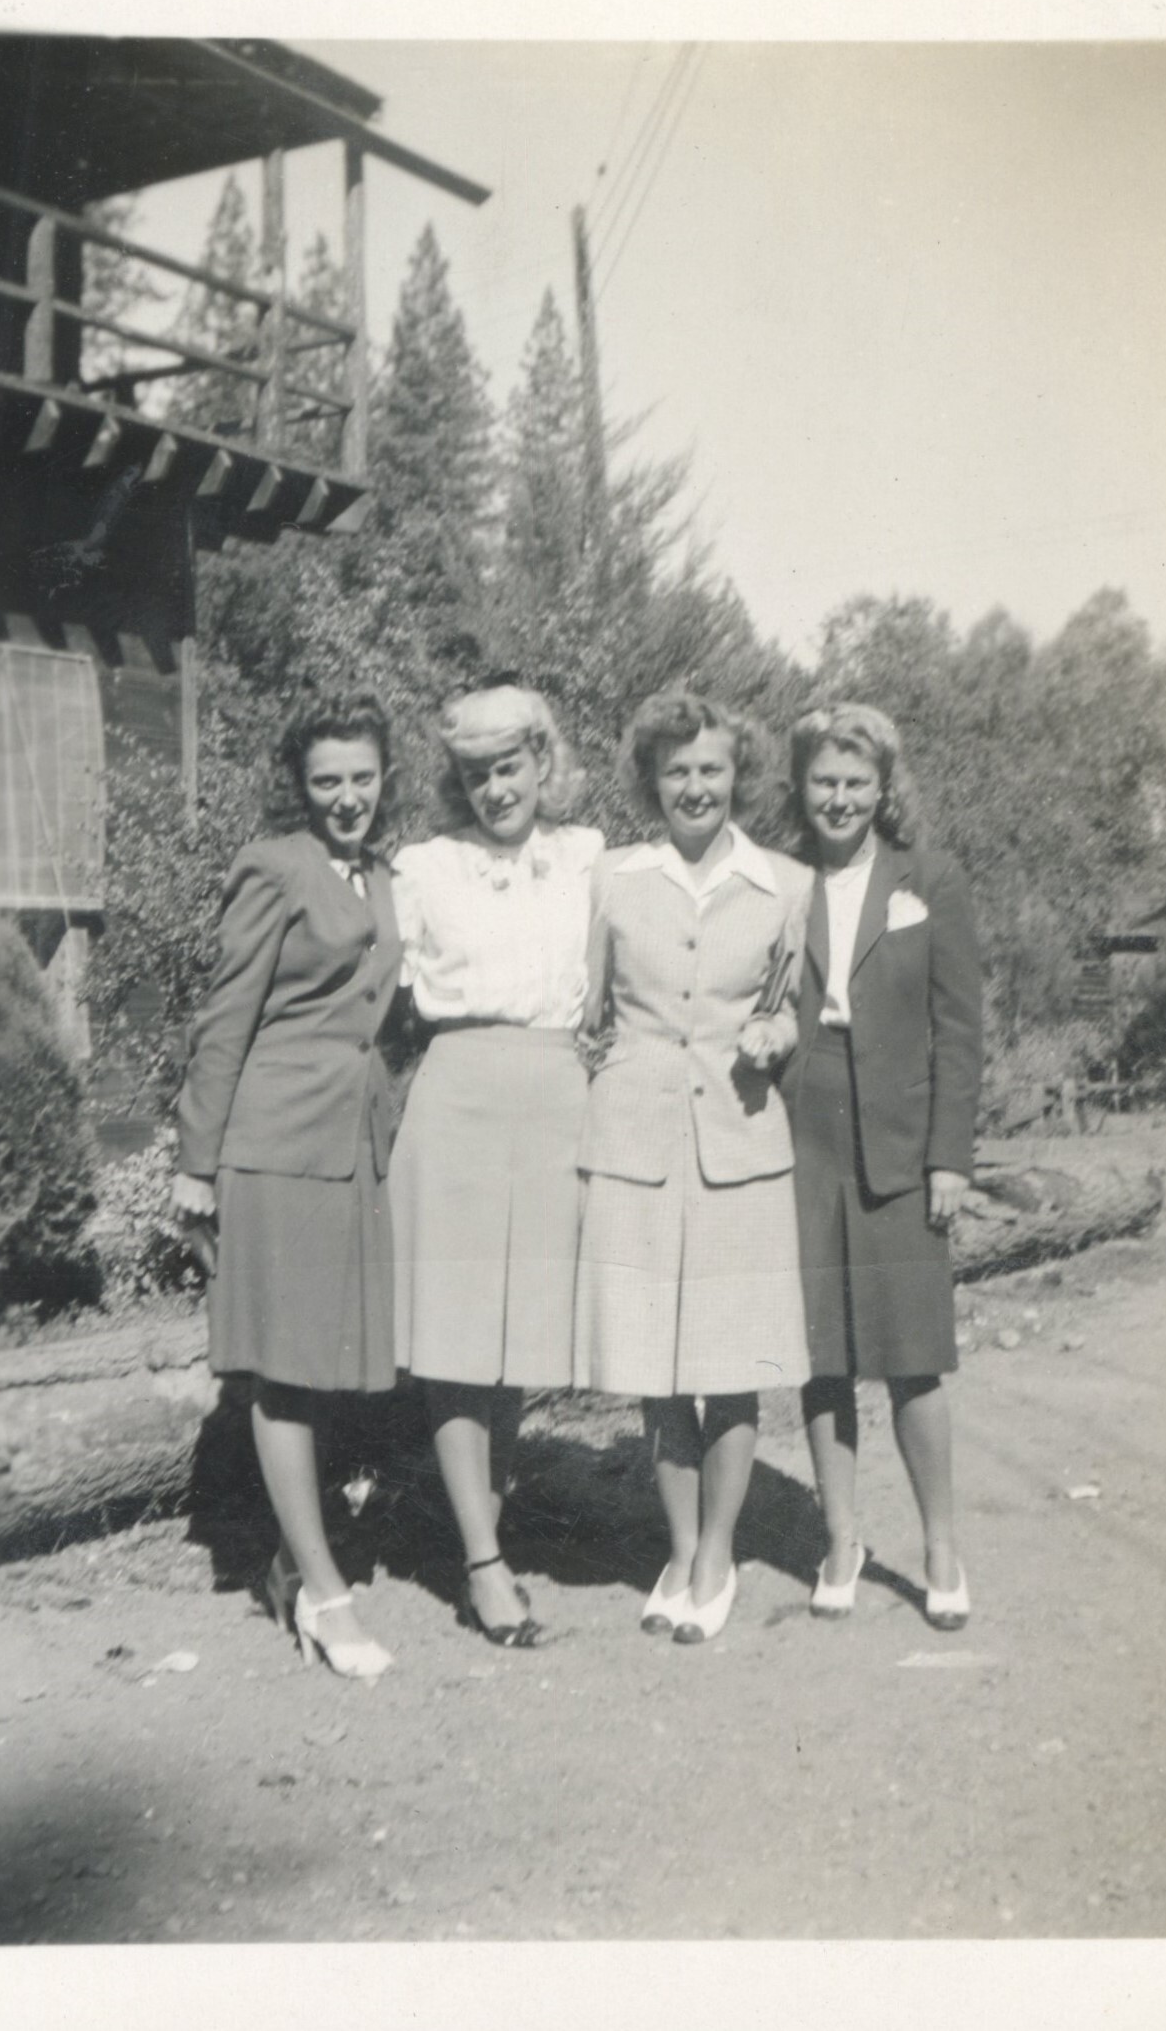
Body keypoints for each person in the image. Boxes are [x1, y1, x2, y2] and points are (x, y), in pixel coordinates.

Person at [170, 694, 403, 1682]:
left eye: (362, 777)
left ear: (384, 776)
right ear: (300, 787)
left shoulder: (383, 873)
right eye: (326, 781)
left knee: (328, 1365)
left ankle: (288, 1565)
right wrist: (194, 1164)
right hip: (273, 1144)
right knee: (284, 1369)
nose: (347, 797)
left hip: (351, 1143)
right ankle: (322, 1592)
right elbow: (225, 1018)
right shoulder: (274, 866)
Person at [573, 690, 812, 1644]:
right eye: (676, 770)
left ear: (736, 775)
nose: (695, 786)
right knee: (655, 1363)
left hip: (739, 1144)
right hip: (634, 1144)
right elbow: (586, 1011)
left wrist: (774, 1033)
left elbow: (791, 1005)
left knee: (733, 1358)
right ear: (651, 780)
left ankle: (718, 1553)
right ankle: (678, 1549)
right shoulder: (613, 878)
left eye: (711, 768)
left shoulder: (783, 884)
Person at [389, 681, 602, 1648]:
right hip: (460, 1095)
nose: (495, 790)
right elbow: (371, 982)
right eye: (475, 775)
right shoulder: (425, 867)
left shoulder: (590, 857)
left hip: (556, 1096)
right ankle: (480, 1561)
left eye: (509, 767)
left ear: (542, 763)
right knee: (456, 1339)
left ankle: (490, 1537)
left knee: (518, 1337)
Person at [779, 702, 983, 1630]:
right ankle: (841, 1540)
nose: (839, 798)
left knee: (912, 1355)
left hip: (900, 1140)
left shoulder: (928, 878)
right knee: (819, 1353)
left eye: (856, 782)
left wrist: (949, 1157)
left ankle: (939, 1546)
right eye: (824, 780)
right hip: (802, 1131)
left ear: (882, 787)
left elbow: (959, 1031)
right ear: (800, 786)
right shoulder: (781, 881)